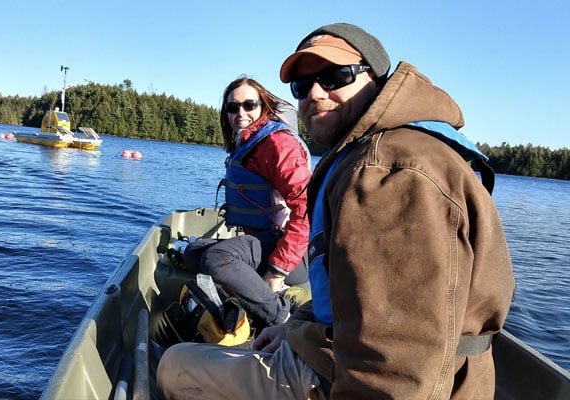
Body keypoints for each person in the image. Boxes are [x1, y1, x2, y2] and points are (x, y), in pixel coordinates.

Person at [157, 23, 515, 399]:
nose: (314, 92)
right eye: (301, 85)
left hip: (363, 380)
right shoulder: (387, 149)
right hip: (350, 355)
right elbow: (363, 297)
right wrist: (297, 328)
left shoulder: (387, 173)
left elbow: (399, 369)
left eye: (333, 76)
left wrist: (278, 274)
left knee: (176, 365)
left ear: (373, 76)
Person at [182, 77, 312, 329]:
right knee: (193, 253)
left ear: (263, 106)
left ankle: (281, 318)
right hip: (265, 241)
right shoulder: (251, 142)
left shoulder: (278, 144)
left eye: (249, 105)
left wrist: (276, 272)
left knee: (217, 258)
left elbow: (306, 210)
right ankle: (258, 295)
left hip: (293, 253)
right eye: (233, 107)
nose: (240, 113)